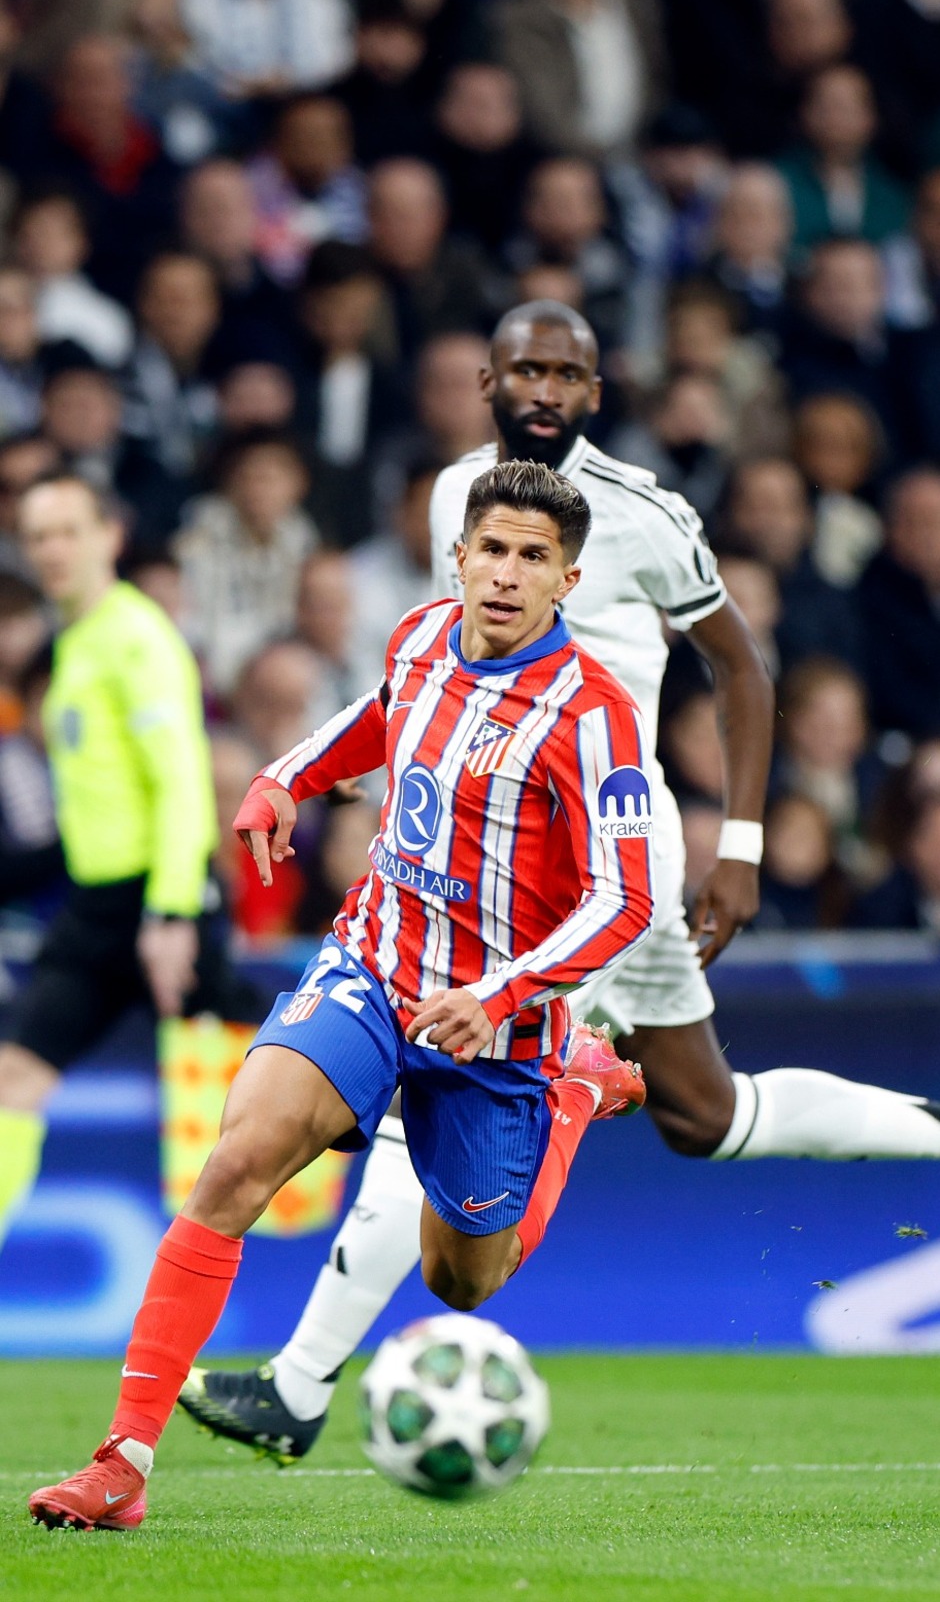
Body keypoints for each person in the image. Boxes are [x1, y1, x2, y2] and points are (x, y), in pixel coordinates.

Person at [180, 301, 940, 1467]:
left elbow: (737, 663)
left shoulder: (641, 514)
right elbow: (429, 673)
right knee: (703, 1111)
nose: (543, 388)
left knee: (430, 1082)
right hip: (482, 854)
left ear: (597, 390)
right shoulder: (456, 495)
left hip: (597, 861)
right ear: (485, 377)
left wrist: (737, 844)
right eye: (525, 367)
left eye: (567, 373)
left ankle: (295, 1381)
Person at [28, 458, 652, 1530]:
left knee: (464, 1279)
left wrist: (502, 995)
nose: (504, 574)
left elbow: (624, 896)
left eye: (531, 558)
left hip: (499, 1029)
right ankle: (121, 1462)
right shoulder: (419, 636)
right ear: (456, 555)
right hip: (371, 964)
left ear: (568, 579)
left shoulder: (592, 716)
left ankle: (572, 1095)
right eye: (490, 549)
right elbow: (379, 714)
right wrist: (284, 777)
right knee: (237, 1157)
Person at [0, 474, 260, 1264]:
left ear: (109, 536)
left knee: (257, 1104)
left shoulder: (136, 639)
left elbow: (181, 780)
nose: (52, 550)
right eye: (38, 535)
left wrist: (173, 914)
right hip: (96, 909)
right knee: (15, 1078)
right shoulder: (76, 643)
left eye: (67, 531)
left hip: (160, 898)